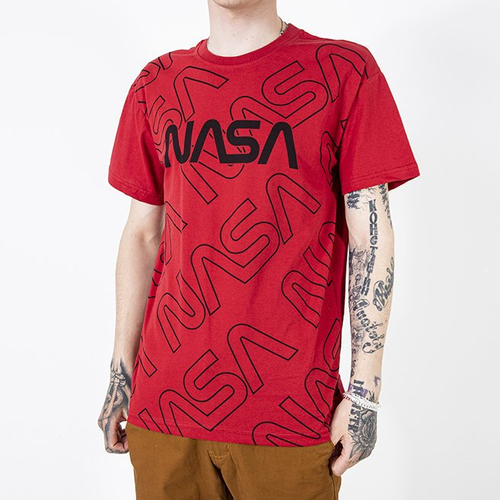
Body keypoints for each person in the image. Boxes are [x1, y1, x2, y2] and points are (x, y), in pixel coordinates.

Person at [97, 1, 420, 498]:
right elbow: (142, 235)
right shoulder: (157, 82)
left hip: (290, 413)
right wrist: (121, 374)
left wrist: (365, 394)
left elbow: (370, 239)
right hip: (163, 407)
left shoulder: (343, 71)